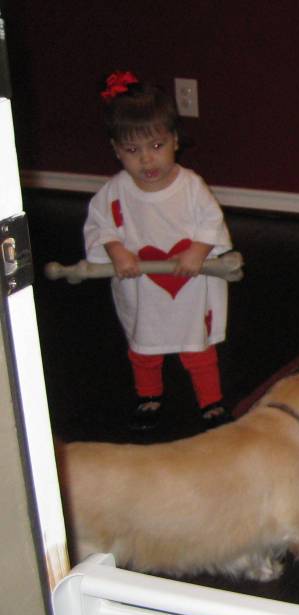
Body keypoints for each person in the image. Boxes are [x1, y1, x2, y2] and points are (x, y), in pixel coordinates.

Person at [83, 71, 233, 431]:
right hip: (142, 287)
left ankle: (211, 400)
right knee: (143, 345)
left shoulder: (191, 187)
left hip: (189, 286)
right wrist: (116, 250)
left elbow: (211, 221)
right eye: (133, 151)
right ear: (116, 150)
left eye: (156, 146)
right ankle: (148, 395)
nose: (147, 161)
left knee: (197, 346)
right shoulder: (114, 192)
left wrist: (198, 250)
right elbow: (100, 225)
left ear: (174, 141)